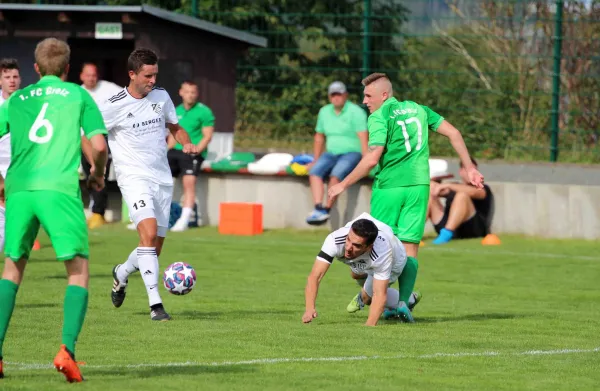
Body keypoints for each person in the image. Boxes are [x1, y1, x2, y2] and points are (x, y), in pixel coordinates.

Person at [0, 38, 108, 382]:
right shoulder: (78, 95)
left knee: (12, 269)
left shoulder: (16, 98)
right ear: (67, 69)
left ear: (34, 69)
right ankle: (66, 351)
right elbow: (100, 145)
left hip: (19, 190)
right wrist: (97, 175)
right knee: (78, 271)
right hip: (58, 190)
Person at [328, 73, 484, 310]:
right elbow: (453, 133)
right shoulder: (418, 110)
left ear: (384, 95)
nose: (365, 101)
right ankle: (402, 303)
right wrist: (470, 168)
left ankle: (369, 296)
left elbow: (372, 159)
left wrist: (342, 184)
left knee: (374, 246)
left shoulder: (379, 116)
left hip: (389, 188)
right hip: (419, 187)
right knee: (410, 247)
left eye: (368, 96)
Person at [105, 48, 198, 321]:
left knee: (153, 248)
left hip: (161, 178)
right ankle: (156, 305)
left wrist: (186, 142)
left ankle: (121, 272)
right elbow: (91, 133)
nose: (152, 80)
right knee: (146, 233)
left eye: (155, 74)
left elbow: (175, 127)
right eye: (147, 75)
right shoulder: (113, 104)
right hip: (133, 178)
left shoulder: (162, 96)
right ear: (132, 74)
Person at [303, 213, 420, 326]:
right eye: (348, 239)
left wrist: (369, 325)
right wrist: (309, 308)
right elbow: (315, 276)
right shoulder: (335, 240)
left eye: (356, 245)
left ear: (369, 247)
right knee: (355, 275)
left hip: (396, 259)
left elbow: (379, 294)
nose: (348, 248)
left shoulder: (382, 252)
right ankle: (373, 297)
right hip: (365, 255)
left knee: (368, 298)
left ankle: (410, 299)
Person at [306, 81, 368, 225]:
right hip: (331, 152)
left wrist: (365, 158)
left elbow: (363, 136)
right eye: (333, 95)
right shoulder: (324, 111)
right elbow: (319, 137)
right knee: (315, 172)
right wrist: (316, 159)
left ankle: (326, 210)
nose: (336, 97)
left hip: (352, 152)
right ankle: (318, 208)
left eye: (339, 94)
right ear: (329, 97)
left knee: (336, 175)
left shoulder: (356, 112)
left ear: (345, 95)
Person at [167, 80, 214, 231]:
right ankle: (151, 218)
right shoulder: (176, 110)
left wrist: (196, 152)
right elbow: (173, 134)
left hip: (192, 153)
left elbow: (207, 136)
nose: (190, 95)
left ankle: (184, 221)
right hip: (175, 152)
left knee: (189, 184)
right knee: (160, 183)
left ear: (197, 94)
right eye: (187, 92)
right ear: (181, 93)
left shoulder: (204, 111)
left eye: (193, 92)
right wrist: (164, 152)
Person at [79, 63, 122, 229]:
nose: (91, 78)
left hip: (104, 138)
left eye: (94, 74)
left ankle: (98, 213)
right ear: (82, 76)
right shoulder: (78, 92)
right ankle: (94, 210)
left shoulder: (109, 88)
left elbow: (128, 97)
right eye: (88, 75)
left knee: (100, 172)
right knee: (90, 175)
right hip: (83, 140)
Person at [428, 157, 494, 244]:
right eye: (468, 170)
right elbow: (437, 190)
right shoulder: (452, 186)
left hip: (474, 229)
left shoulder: (482, 188)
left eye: (474, 170)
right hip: (454, 230)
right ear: (461, 172)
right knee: (428, 197)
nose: (472, 173)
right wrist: (432, 182)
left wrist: (447, 185)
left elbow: (476, 193)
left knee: (462, 196)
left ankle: (446, 234)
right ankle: (412, 233)